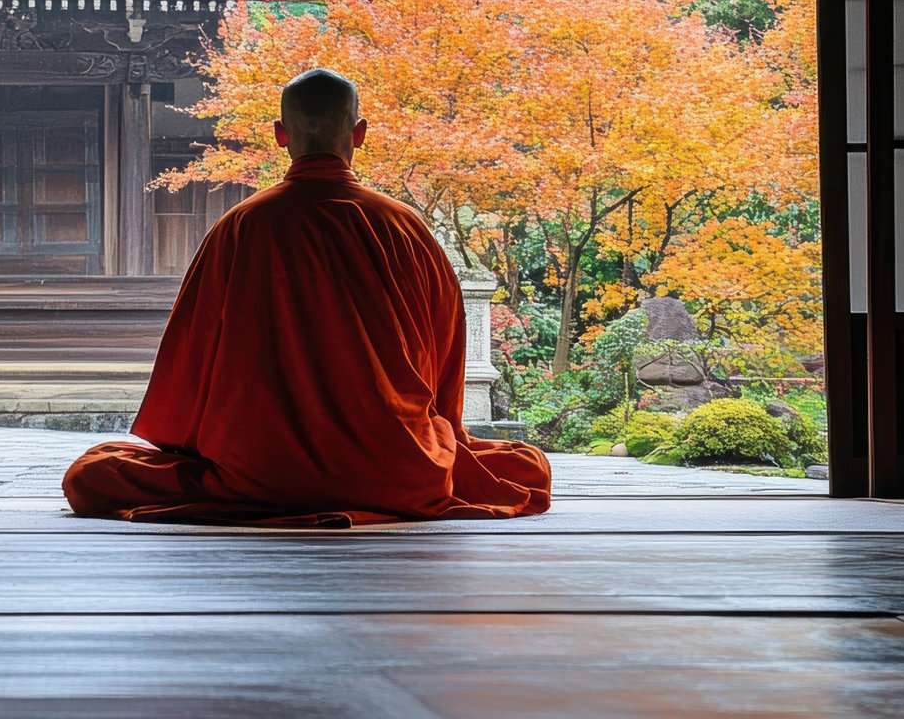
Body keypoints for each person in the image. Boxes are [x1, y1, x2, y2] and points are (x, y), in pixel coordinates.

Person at [63, 68, 552, 527]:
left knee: (91, 473)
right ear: (358, 133)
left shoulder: (241, 226)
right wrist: (432, 436)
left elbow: (189, 364)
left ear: (281, 134)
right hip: (399, 473)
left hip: (261, 475)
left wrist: (202, 446)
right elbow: (444, 357)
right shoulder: (406, 227)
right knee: (528, 467)